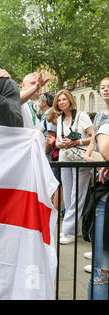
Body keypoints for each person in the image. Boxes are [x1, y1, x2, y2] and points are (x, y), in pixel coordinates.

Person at [54, 89, 94, 245]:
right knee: (70, 196)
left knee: (78, 195)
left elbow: (92, 137)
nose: (62, 102)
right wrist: (60, 143)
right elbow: (57, 141)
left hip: (80, 159)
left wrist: (77, 142)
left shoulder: (81, 115)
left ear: (70, 100)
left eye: (64, 99)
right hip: (65, 159)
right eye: (59, 100)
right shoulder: (59, 119)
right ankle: (73, 228)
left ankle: (68, 231)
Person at [85, 77, 109, 299]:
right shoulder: (104, 121)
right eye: (103, 87)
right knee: (102, 267)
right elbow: (102, 146)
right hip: (105, 195)